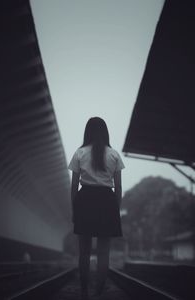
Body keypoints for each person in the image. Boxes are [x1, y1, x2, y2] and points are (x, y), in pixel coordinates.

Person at [68, 117, 125, 299]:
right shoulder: (114, 155)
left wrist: (75, 210)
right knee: (103, 253)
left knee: (84, 253)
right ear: (105, 132)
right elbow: (118, 188)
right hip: (107, 202)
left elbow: (74, 186)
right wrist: (115, 210)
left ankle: (84, 292)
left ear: (88, 132)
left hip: (85, 201)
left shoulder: (79, 153)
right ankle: (98, 293)